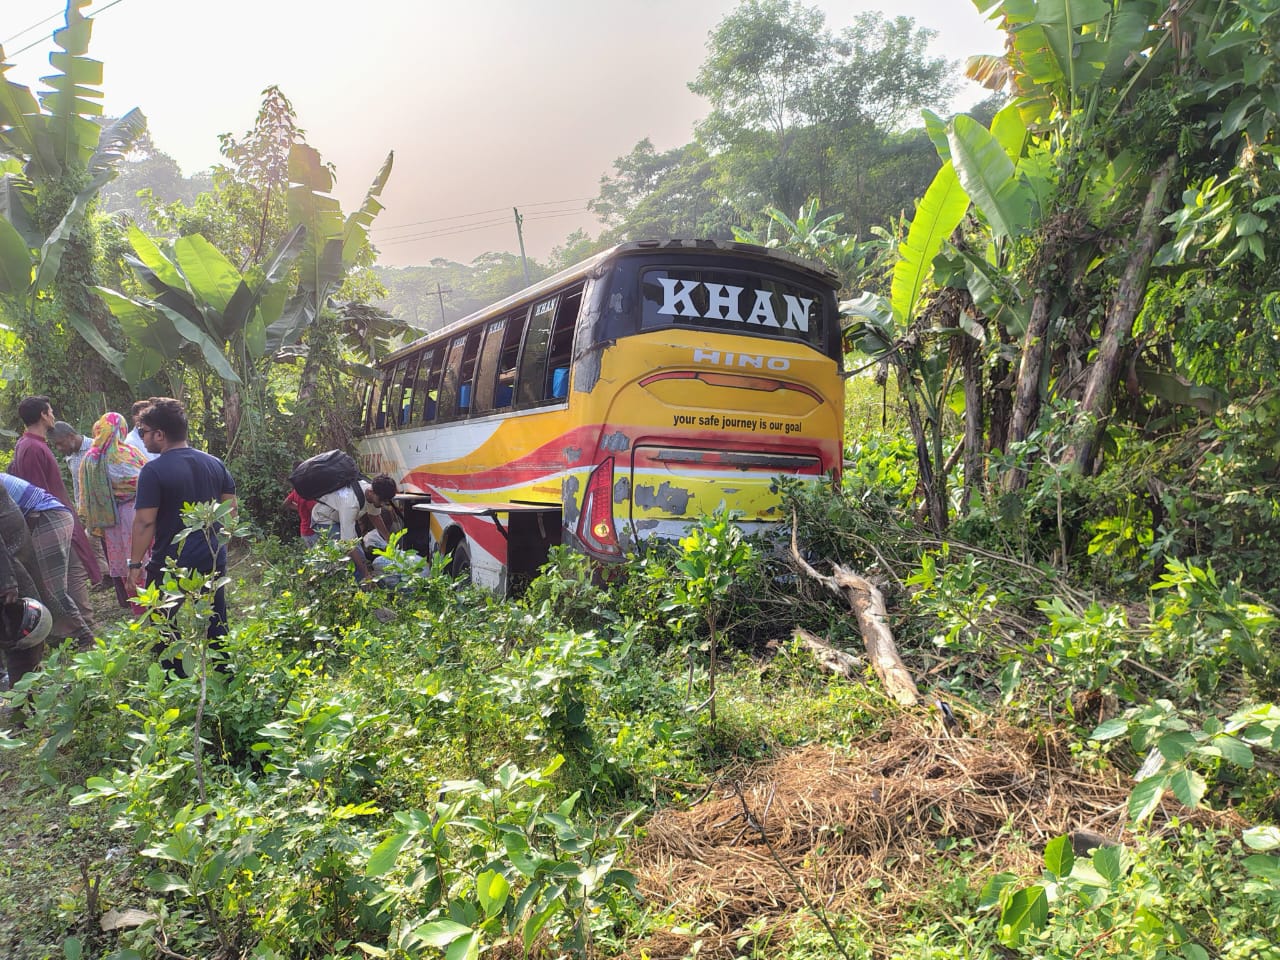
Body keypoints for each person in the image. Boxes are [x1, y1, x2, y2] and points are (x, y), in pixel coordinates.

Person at [127, 399, 237, 660]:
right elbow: (231, 512)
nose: (142, 438)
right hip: (211, 557)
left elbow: (144, 521)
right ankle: (224, 671)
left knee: (163, 621)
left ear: (160, 435)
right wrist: (219, 546)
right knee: (216, 618)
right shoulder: (215, 464)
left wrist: (134, 565)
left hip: (171, 561)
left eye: (144, 432)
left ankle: (172, 679)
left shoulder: (153, 471)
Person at [10, 396, 103, 633]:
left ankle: (81, 629)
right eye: (50, 411)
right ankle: (85, 629)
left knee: (71, 574)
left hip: (55, 520)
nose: (53, 415)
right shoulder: (32, 447)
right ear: (43, 415)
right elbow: (36, 496)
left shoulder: (31, 445)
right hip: (52, 523)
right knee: (72, 574)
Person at [0, 473, 95, 649]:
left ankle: (83, 636)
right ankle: (61, 636)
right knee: (45, 583)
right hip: (51, 515)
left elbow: (28, 518)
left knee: (50, 586)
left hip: (46, 516)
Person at [79, 412, 150, 610]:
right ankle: (154, 605)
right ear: (122, 429)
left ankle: (138, 608)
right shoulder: (128, 453)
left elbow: (87, 493)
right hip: (135, 513)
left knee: (125, 563)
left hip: (110, 519)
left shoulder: (91, 458)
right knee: (142, 559)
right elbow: (145, 478)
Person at [0, 482, 58, 692]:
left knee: (22, 631)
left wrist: (6, 580)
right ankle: (24, 704)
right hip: (9, 569)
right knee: (19, 635)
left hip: (12, 565)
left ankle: (26, 701)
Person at [311, 474, 396, 581]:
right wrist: (366, 574)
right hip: (324, 519)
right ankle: (350, 587)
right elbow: (347, 545)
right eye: (382, 501)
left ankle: (355, 582)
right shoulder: (351, 504)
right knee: (351, 560)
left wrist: (389, 540)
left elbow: (374, 516)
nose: (383, 504)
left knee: (360, 558)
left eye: (386, 501)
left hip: (340, 518)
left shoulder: (371, 492)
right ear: (371, 493)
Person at [48, 421, 92, 506]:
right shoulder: (70, 456)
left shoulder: (95, 447)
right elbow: (77, 484)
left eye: (60, 443)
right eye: (55, 445)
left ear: (71, 437)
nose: (59, 448)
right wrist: (79, 506)